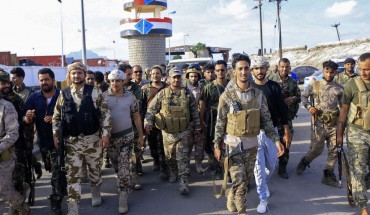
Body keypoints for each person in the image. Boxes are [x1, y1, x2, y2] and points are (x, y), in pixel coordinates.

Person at [213, 53, 284, 215]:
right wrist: (217, 145)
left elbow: (266, 121)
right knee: (240, 183)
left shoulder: (258, 96)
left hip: (253, 146)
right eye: (240, 69)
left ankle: (231, 196)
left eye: (246, 68)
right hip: (234, 146)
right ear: (234, 71)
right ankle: (242, 211)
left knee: (245, 181)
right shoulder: (227, 97)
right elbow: (220, 123)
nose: (244, 72)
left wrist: (276, 140)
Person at [52, 62, 111, 215]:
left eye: (79, 73)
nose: (76, 76)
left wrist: (105, 135)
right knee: (73, 176)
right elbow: (56, 117)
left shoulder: (95, 92)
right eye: (73, 73)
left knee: (95, 171)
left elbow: (105, 114)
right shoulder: (63, 94)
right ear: (69, 75)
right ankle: (73, 207)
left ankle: (95, 191)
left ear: (84, 75)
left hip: (93, 141)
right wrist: (55, 135)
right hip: (72, 143)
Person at [144, 67, 201, 194]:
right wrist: (148, 122)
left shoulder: (187, 93)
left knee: (183, 158)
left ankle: (183, 182)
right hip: (168, 133)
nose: (176, 79)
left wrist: (197, 127)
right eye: (173, 77)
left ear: (181, 78)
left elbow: (194, 112)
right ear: (169, 79)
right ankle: (173, 172)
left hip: (184, 132)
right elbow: (151, 110)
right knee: (169, 157)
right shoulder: (162, 94)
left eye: (178, 77)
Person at [249, 56, 290, 213]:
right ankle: (262, 198)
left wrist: (286, 131)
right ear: (252, 70)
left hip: (271, 131)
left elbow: (281, 109)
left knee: (271, 165)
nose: (260, 71)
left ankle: (263, 184)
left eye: (262, 68)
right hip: (253, 133)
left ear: (267, 69)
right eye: (257, 68)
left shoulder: (274, 87)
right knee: (258, 167)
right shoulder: (250, 88)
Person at [24, 68, 66, 214]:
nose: (44, 82)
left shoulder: (63, 95)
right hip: (44, 143)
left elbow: (71, 116)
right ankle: (62, 189)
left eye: (46, 79)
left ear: (53, 80)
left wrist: (56, 120)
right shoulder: (34, 97)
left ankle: (56, 202)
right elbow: (25, 118)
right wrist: (28, 118)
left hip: (61, 141)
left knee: (56, 172)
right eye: (41, 80)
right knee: (52, 170)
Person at [296, 60, 343, 187]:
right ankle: (304, 162)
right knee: (317, 149)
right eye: (326, 71)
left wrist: (342, 124)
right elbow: (303, 96)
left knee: (334, 150)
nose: (328, 74)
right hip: (319, 124)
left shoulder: (339, 88)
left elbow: (344, 107)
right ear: (323, 71)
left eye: (331, 72)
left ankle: (328, 174)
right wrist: (309, 107)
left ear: (335, 72)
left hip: (333, 124)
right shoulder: (315, 85)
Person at [103, 70, 144, 214]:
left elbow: (136, 116)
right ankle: (123, 180)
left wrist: (140, 136)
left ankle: (123, 196)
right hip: (111, 138)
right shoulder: (103, 97)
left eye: (118, 81)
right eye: (112, 81)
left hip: (127, 136)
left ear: (123, 82)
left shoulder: (130, 97)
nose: (115, 83)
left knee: (124, 166)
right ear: (109, 81)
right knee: (116, 165)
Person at [337, 53, 370, 215]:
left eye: (368, 69)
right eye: (361, 69)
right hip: (357, 133)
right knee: (358, 169)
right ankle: (363, 206)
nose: (364, 73)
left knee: (364, 173)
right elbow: (343, 111)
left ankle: (357, 187)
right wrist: (339, 134)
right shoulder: (352, 85)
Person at [0, 71, 30, 215]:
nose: (6, 85)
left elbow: (22, 127)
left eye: (8, 82)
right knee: (6, 188)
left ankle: (18, 205)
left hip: (13, 148)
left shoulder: (12, 102)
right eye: (3, 82)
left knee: (14, 180)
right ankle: (18, 202)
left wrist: (27, 146)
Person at [270, 58, 301, 179]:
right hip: (272, 118)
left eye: (287, 67)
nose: (284, 69)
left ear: (290, 68)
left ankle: (282, 168)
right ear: (278, 67)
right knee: (270, 144)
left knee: (287, 142)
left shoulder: (293, 82)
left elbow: (299, 97)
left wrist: (293, 98)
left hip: (287, 119)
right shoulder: (271, 81)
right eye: (282, 66)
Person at [199, 60, 228, 179]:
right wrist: (201, 120)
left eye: (222, 70)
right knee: (214, 143)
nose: (220, 72)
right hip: (213, 118)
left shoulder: (232, 85)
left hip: (230, 118)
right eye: (217, 70)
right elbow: (202, 104)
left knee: (229, 143)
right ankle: (217, 170)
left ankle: (229, 169)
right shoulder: (208, 87)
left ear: (226, 71)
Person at [118, 63, 144, 189]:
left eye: (131, 74)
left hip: (132, 124)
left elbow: (136, 107)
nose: (131, 76)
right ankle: (123, 175)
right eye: (129, 74)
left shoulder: (135, 88)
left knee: (134, 151)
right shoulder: (113, 87)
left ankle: (134, 175)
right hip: (118, 126)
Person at [141, 65, 168, 178]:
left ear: (161, 75)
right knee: (152, 143)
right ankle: (156, 160)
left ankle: (163, 167)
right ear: (150, 75)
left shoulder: (167, 87)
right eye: (153, 74)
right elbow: (142, 106)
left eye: (158, 73)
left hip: (164, 120)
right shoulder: (145, 89)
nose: (155, 75)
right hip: (150, 119)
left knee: (162, 144)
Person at [0, 92, 21, 215]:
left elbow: (13, 134)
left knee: (1, 193)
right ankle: (20, 202)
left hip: (3, 158)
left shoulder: (6, 106)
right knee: (5, 191)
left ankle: (20, 204)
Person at [184, 66, 205, 173]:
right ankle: (186, 166)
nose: (193, 78)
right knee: (187, 144)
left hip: (200, 120)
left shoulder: (203, 89)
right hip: (188, 121)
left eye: (195, 76)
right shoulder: (184, 89)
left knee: (199, 144)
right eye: (191, 76)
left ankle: (198, 165)